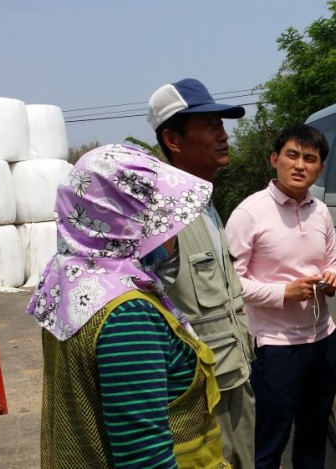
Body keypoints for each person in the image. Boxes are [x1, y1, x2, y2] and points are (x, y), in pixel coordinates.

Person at [26, 144, 228, 468]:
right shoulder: (129, 315)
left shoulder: (72, 281)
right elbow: (146, 459)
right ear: (128, 225)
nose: (172, 229)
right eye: (160, 218)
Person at [146, 78, 256, 469]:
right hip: (200, 395)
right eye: (209, 125)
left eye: (221, 124)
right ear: (173, 140)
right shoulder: (162, 215)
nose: (222, 135)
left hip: (236, 376)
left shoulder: (205, 203)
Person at [225, 125, 336, 469]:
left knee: (314, 436)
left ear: (320, 168)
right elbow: (228, 284)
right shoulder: (249, 213)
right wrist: (283, 292)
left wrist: (332, 277)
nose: (300, 165)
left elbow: (331, 261)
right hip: (275, 348)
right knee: (267, 444)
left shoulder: (321, 211)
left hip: (324, 340)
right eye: (292, 155)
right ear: (274, 159)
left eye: (310, 159)